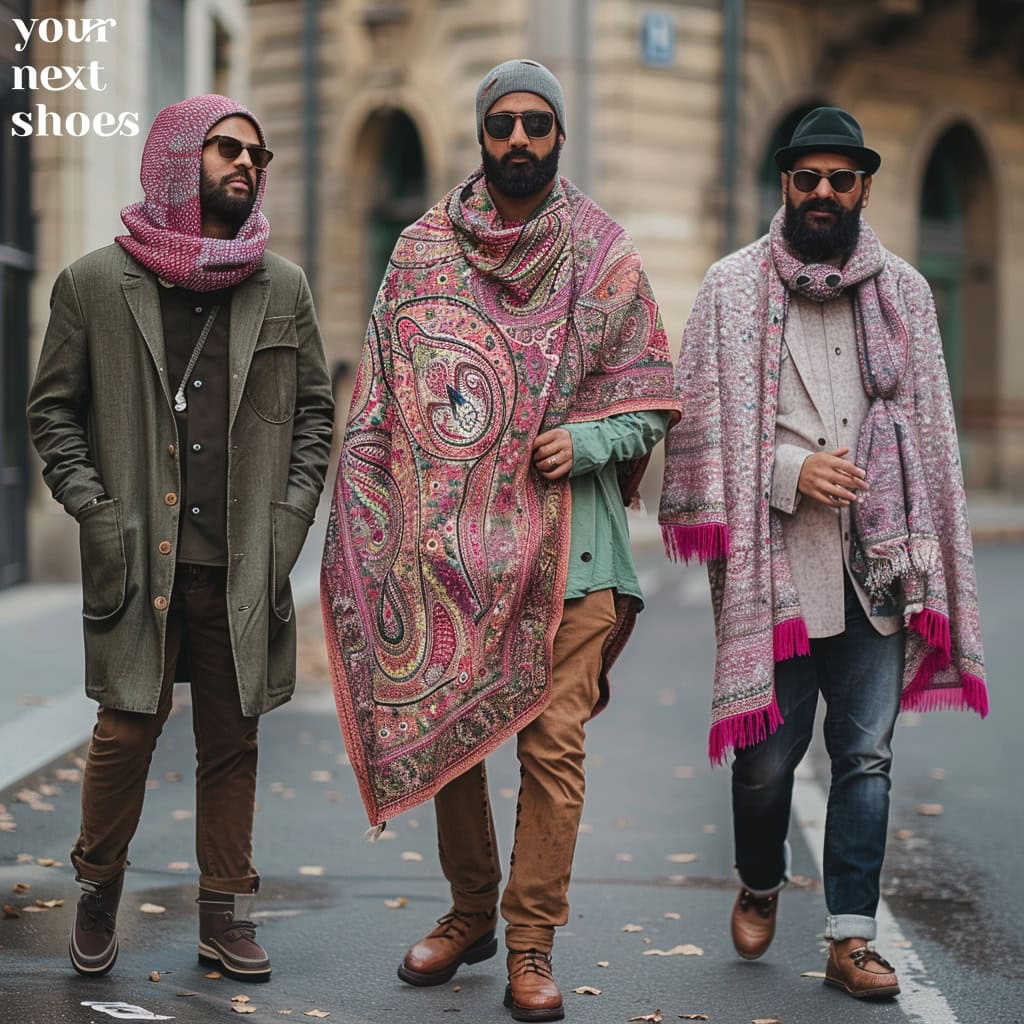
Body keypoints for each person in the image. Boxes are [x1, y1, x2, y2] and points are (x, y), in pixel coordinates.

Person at [321, 59, 679, 1023]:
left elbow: (650, 396)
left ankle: (530, 942)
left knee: (553, 752)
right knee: (456, 742)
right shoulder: (421, 249)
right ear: (482, 135)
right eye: (503, 124)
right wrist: (385, 525)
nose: (519, 139)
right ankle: (470, 912)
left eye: (537, 123)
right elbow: (386, 401)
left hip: (575, 554)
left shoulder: (604, 254)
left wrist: (591, 437)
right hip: (452, 556)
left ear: (559, 135)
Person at [658, 107, 988, 999]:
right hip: (778, 564)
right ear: (786, 185)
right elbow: (705, 425)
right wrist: (791, 471)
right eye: (809, 178)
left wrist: (904, 513)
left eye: (842, 180)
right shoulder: (732, 289)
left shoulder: (907, 294)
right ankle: (761, 877)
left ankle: (850, 938)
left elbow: (930, 431)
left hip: (881, 565)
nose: (824, 194)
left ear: (863, 190)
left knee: (866, 755)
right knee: (768, 762)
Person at [27, 94, 334, 982]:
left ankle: (227, 913)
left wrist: (291, 516)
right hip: (137, 560)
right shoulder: (92, 284)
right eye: (226, 149)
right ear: (173, 160)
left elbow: (315, 412)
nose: (248, 163)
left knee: (231, 741)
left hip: (241, 561)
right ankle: (96, 888)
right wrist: (94, 508)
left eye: (256, 152)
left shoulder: (283, 285)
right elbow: (54, 415)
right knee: (125, 732)